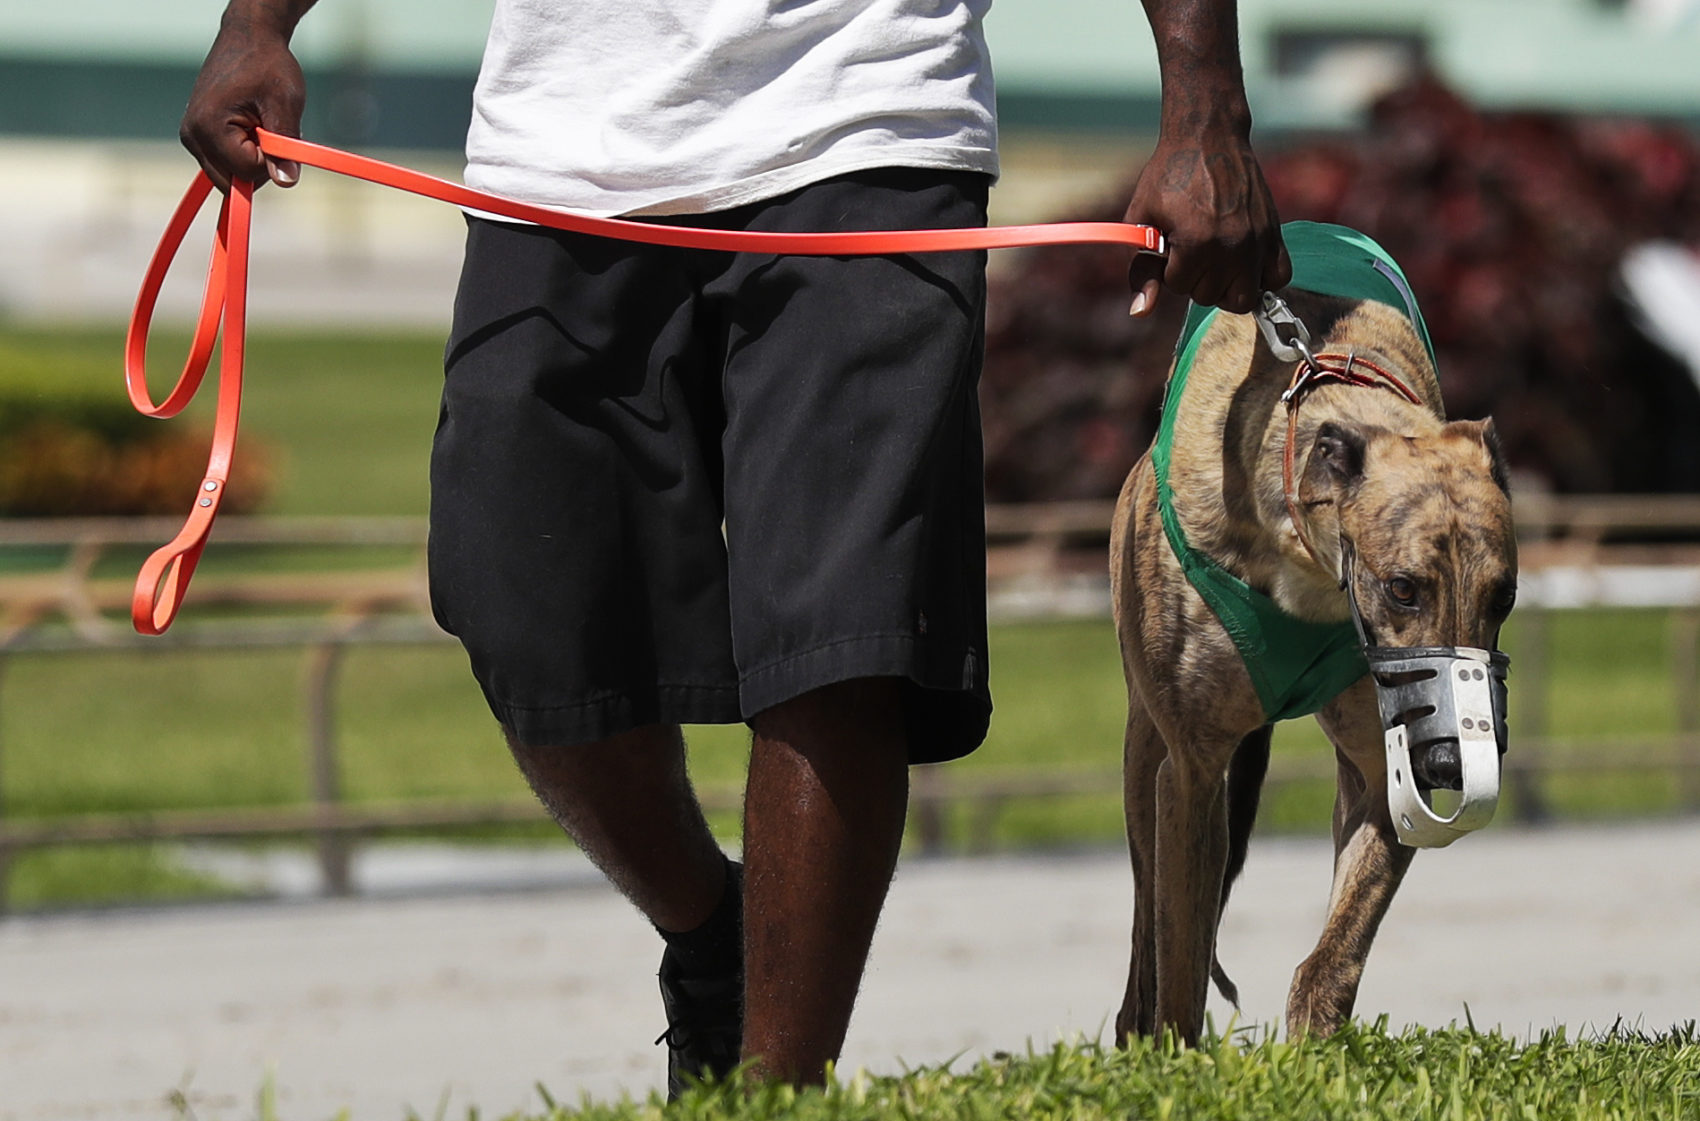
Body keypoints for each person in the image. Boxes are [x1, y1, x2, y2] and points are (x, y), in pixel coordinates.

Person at [180, 0, 1291, 1095]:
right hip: (558, 153)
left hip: (867, 116)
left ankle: (775, 1089)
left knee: (843, 631)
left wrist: (1204, 107)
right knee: (526, 614)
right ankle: (713, 933)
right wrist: (256, 24)